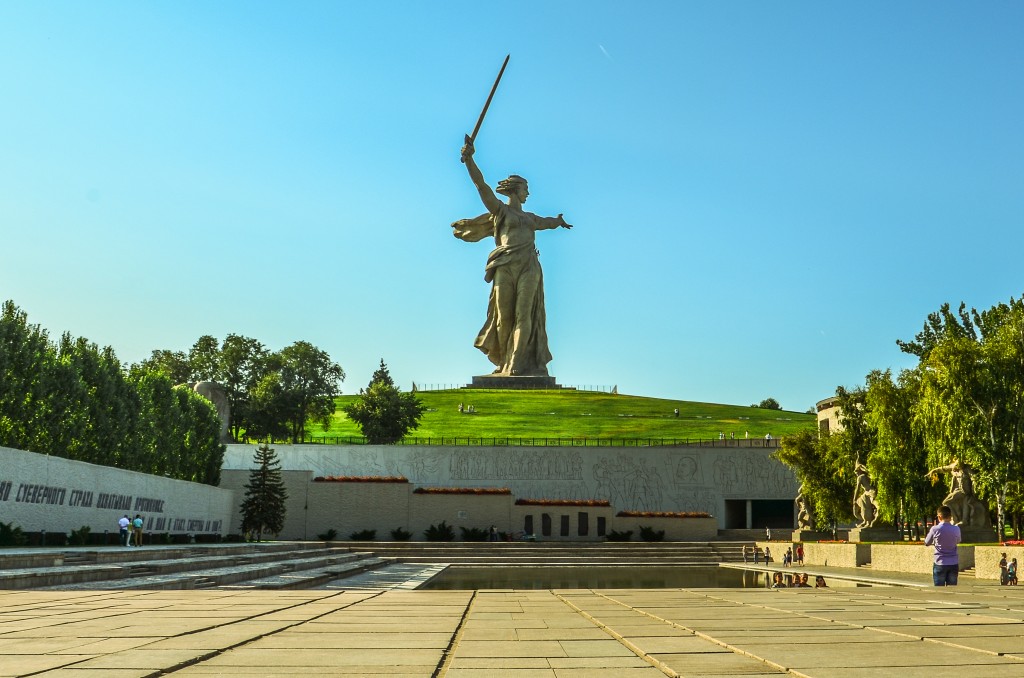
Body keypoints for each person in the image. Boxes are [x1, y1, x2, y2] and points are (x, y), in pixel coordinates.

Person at [453, 137, 572, 377]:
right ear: (516, 189)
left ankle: (516, 364)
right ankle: (504, 362)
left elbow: (546, 222)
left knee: (523, 314)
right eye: (525, 189)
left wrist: (558, 221)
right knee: (503, 319)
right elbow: (481, 186)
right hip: (504, 265)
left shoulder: (530, 218)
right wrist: (469, 160)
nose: (528, 193)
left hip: (528, 266)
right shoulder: (500, 211)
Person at [924, 505, 961, 586]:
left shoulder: (935, 529)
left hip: (940, 562)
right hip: (953, 562)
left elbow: (927, 542)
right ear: (950, 517)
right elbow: (958, 541)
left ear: (939, 517)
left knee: (939, 590)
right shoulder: (956, 529)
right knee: (952, 590)